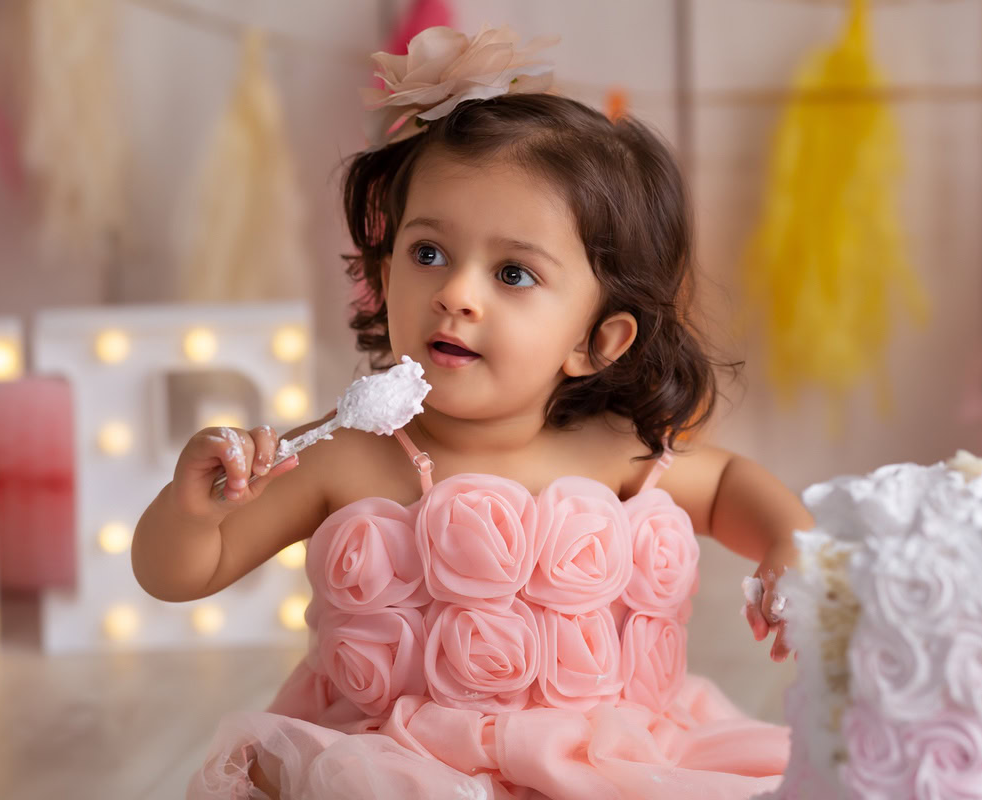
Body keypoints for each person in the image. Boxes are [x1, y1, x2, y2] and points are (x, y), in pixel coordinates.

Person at [133, 24, 813, 800]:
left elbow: (729, 488)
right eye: (428, 253)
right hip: (400, 770)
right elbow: (183, 574)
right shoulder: (352, 454)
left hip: (614, 767)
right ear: (383, 274)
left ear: (595, 341)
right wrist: (191, 514)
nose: (457, 292)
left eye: (514, 273)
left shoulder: (618, 454)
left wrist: (792, 546)